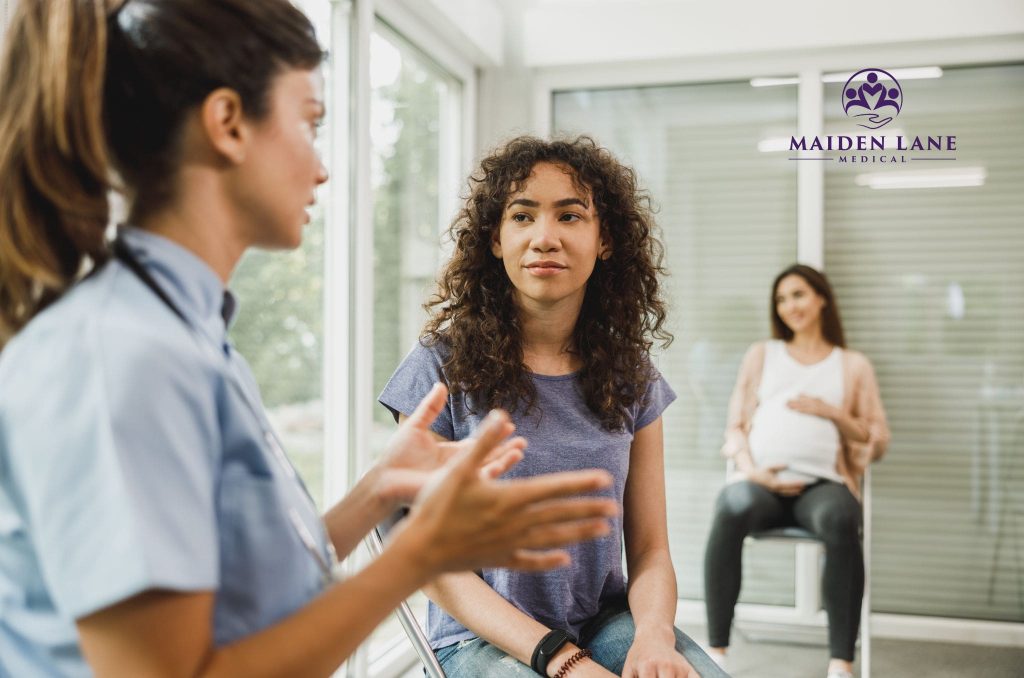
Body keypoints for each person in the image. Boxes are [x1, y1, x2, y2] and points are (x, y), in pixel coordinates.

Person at [0, 3, 621, 676]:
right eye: (310, 122)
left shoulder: (190, 337)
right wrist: (420, 555)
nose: (322, 168)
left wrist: (379, 489)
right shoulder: (124, 355)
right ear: (228, 123)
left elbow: (249, 592)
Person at [379, 136, 728, 678]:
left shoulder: (631, 375)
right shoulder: (439, 366)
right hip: (479, 638)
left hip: (602, 622)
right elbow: (429, 558)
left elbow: (650, 550)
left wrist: (654, 638)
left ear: (604, 239)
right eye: (522, 216)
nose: (545, 238)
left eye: (570, 216)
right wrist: (564, 662)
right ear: (496, 239)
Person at [703, 264, 890, 678]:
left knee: (841, 517)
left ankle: (840, 662)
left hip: (822, 486)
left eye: (799, 294)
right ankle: (716, 652)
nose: (790, 306)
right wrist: (753, 472)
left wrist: (832, 412)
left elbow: (876, 438)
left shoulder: (852, 364)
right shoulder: (762, 355)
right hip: (762, 485)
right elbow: (735, 427)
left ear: (821, 298)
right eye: (782, 299)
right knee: (730, 505)